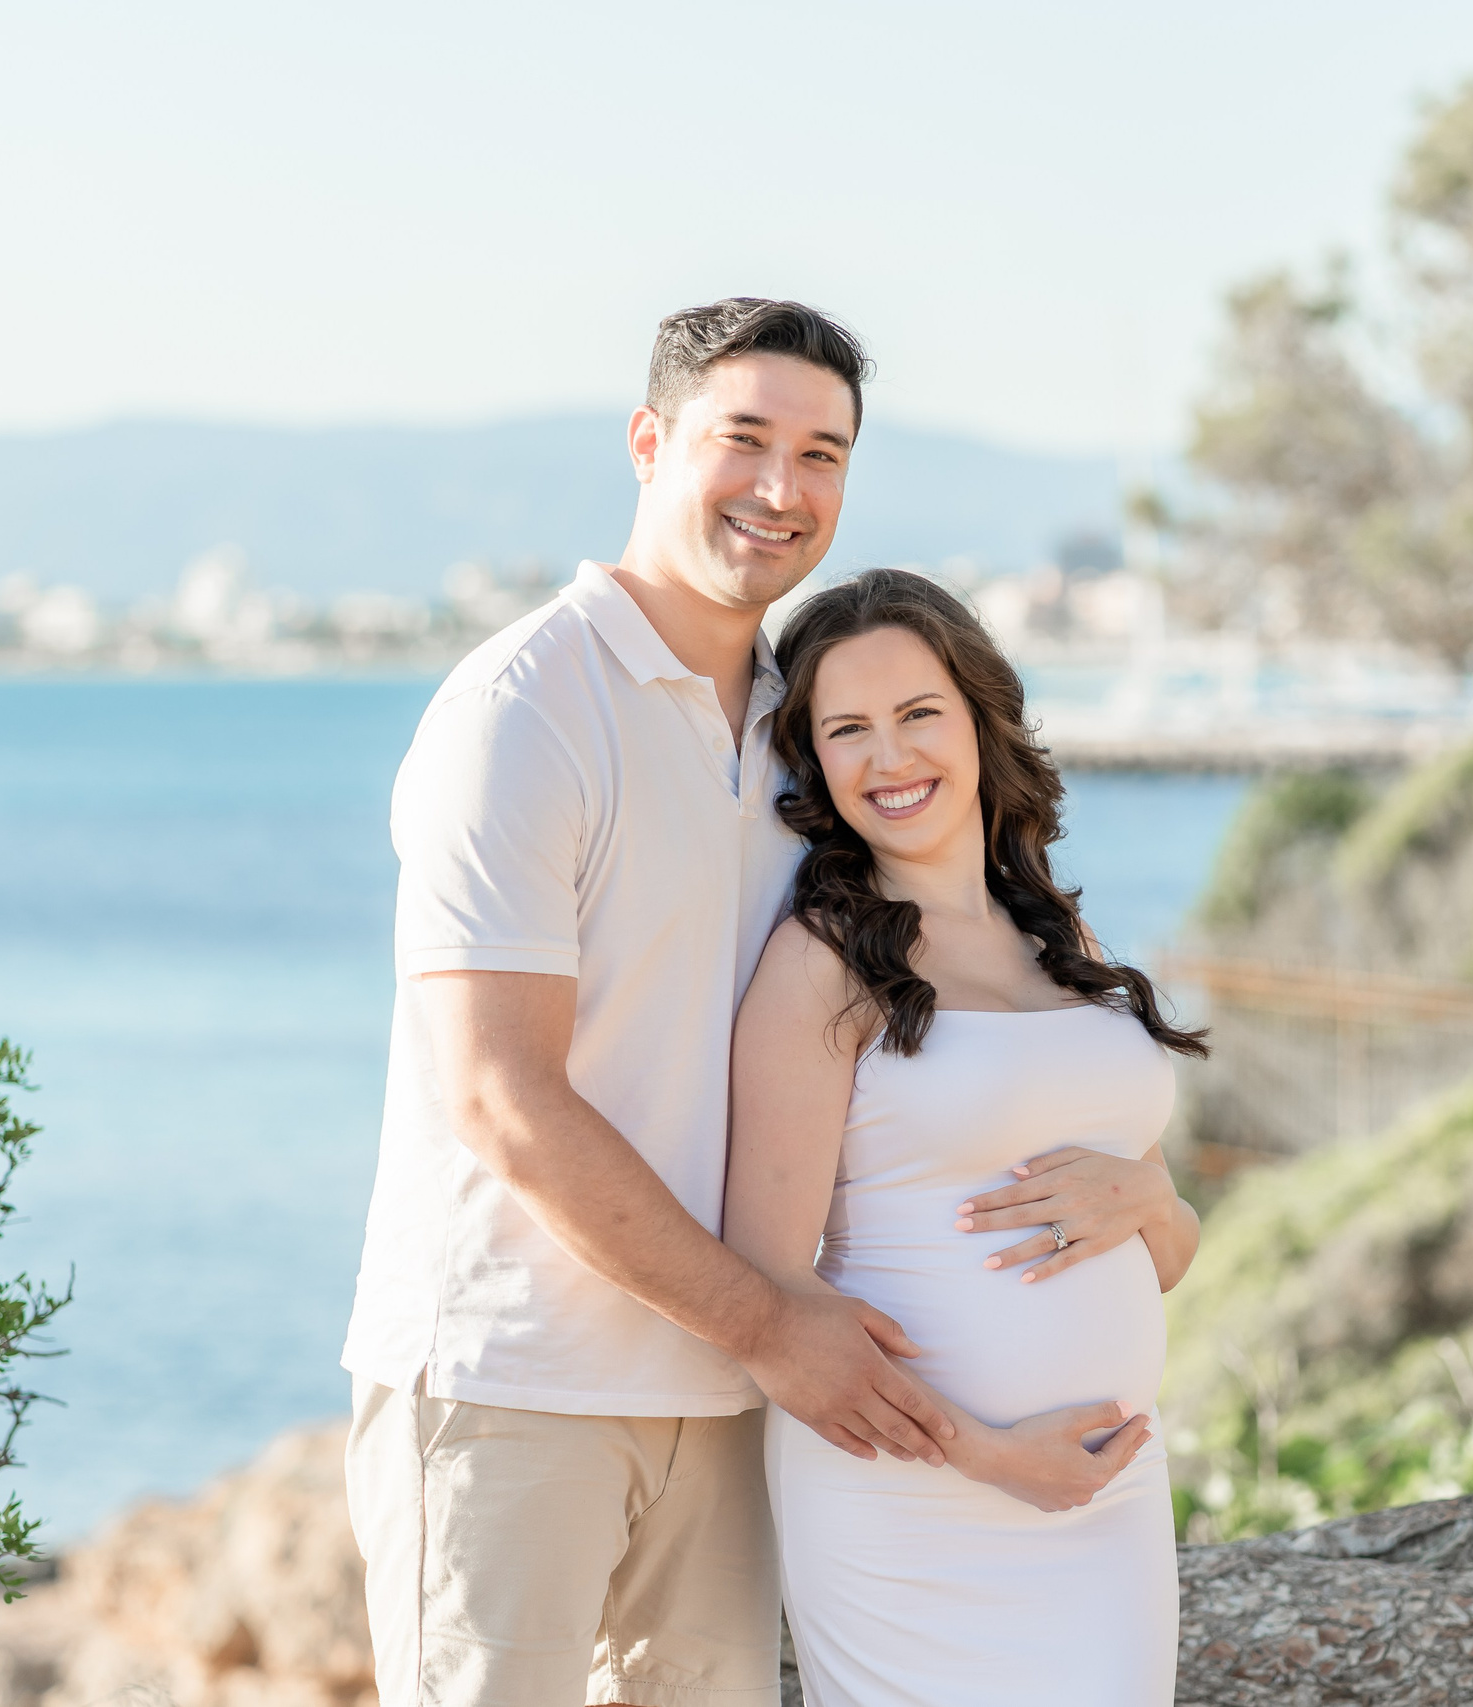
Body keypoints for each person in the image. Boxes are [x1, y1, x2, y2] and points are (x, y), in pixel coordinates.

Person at [338, 301, 1129, 1707]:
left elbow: (958, 987)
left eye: (822, 453)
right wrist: (770, 1323)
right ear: (650, 443)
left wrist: (1139, 1183)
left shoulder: (802, 726)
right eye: (743, 439)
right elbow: (499, 1095)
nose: (783, 488)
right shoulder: (523, 708)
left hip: (734, 1406)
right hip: (516, 1377)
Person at [725, 567, 1209, 1707]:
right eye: (847, 730)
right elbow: (766, 1299)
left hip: (1106, 1494)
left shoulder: (1062, 938)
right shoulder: (821, 965)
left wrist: (1150, 1205)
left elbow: (1169, 1250)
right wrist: (990, 1456)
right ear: (814, 763)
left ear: (981, 720)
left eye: (916, 715)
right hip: (913, 1499)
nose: (889, 759)